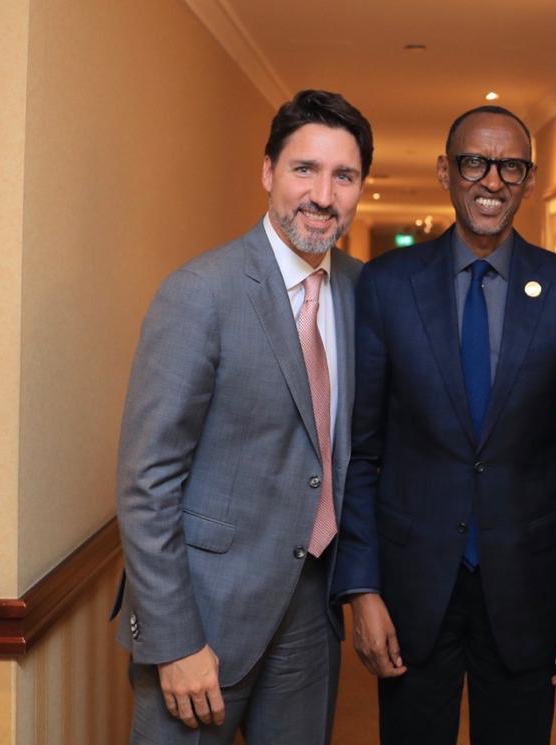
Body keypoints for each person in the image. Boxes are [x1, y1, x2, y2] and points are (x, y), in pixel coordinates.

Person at [332, 105, 556, 745]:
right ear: (446, 171)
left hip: (527, 584)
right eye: (474, 163)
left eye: (511, 166)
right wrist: (362, 587)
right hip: (412, 583)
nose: (492, 180)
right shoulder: (386, 285)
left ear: (529, 180)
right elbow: (361, 450)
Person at [113, 89, 371, 744]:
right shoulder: (201, 291)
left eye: (343, 176)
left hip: (310, 609)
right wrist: (174, 639)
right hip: (203, 615)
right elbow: (147, 482)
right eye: (305, 169)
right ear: (268, 172)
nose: (322, 195)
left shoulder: (363, 291)